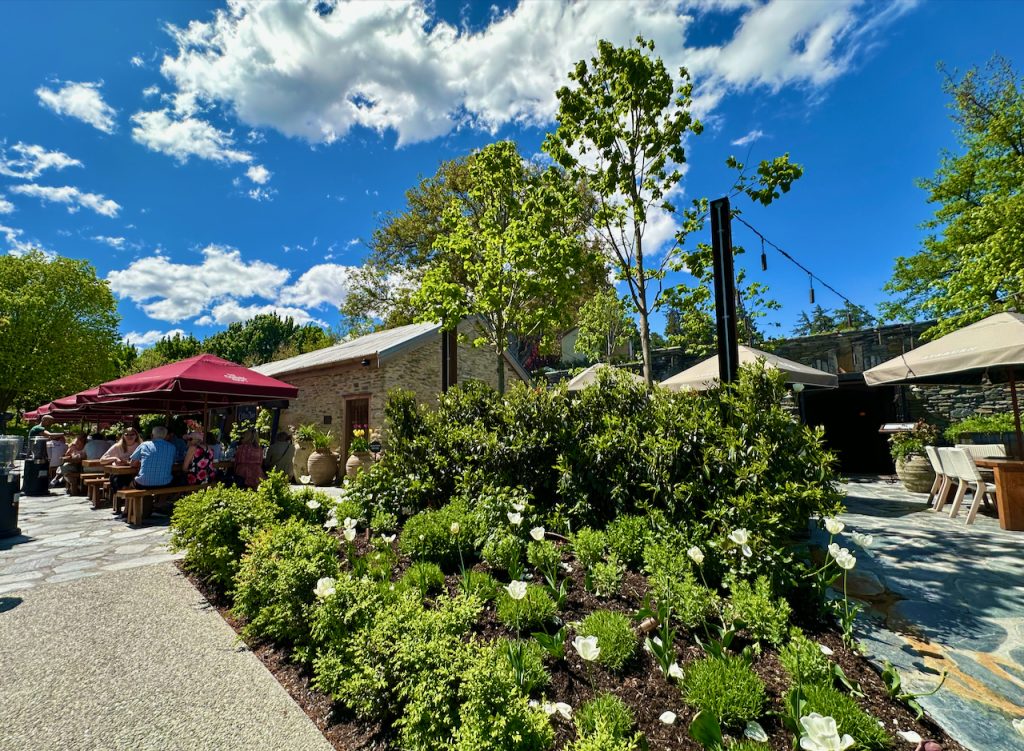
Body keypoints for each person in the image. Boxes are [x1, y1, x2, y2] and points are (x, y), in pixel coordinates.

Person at [102, 428, 143, 494]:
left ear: (136, 436)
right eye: (126, 434)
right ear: (123, 436)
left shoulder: (141, 446)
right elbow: (102, 460)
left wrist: (128, 462)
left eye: (132, 434)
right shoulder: (117, 446)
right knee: (122, 484)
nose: (129, 436)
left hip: (135, 473)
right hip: (119, 474)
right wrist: (114, 458)